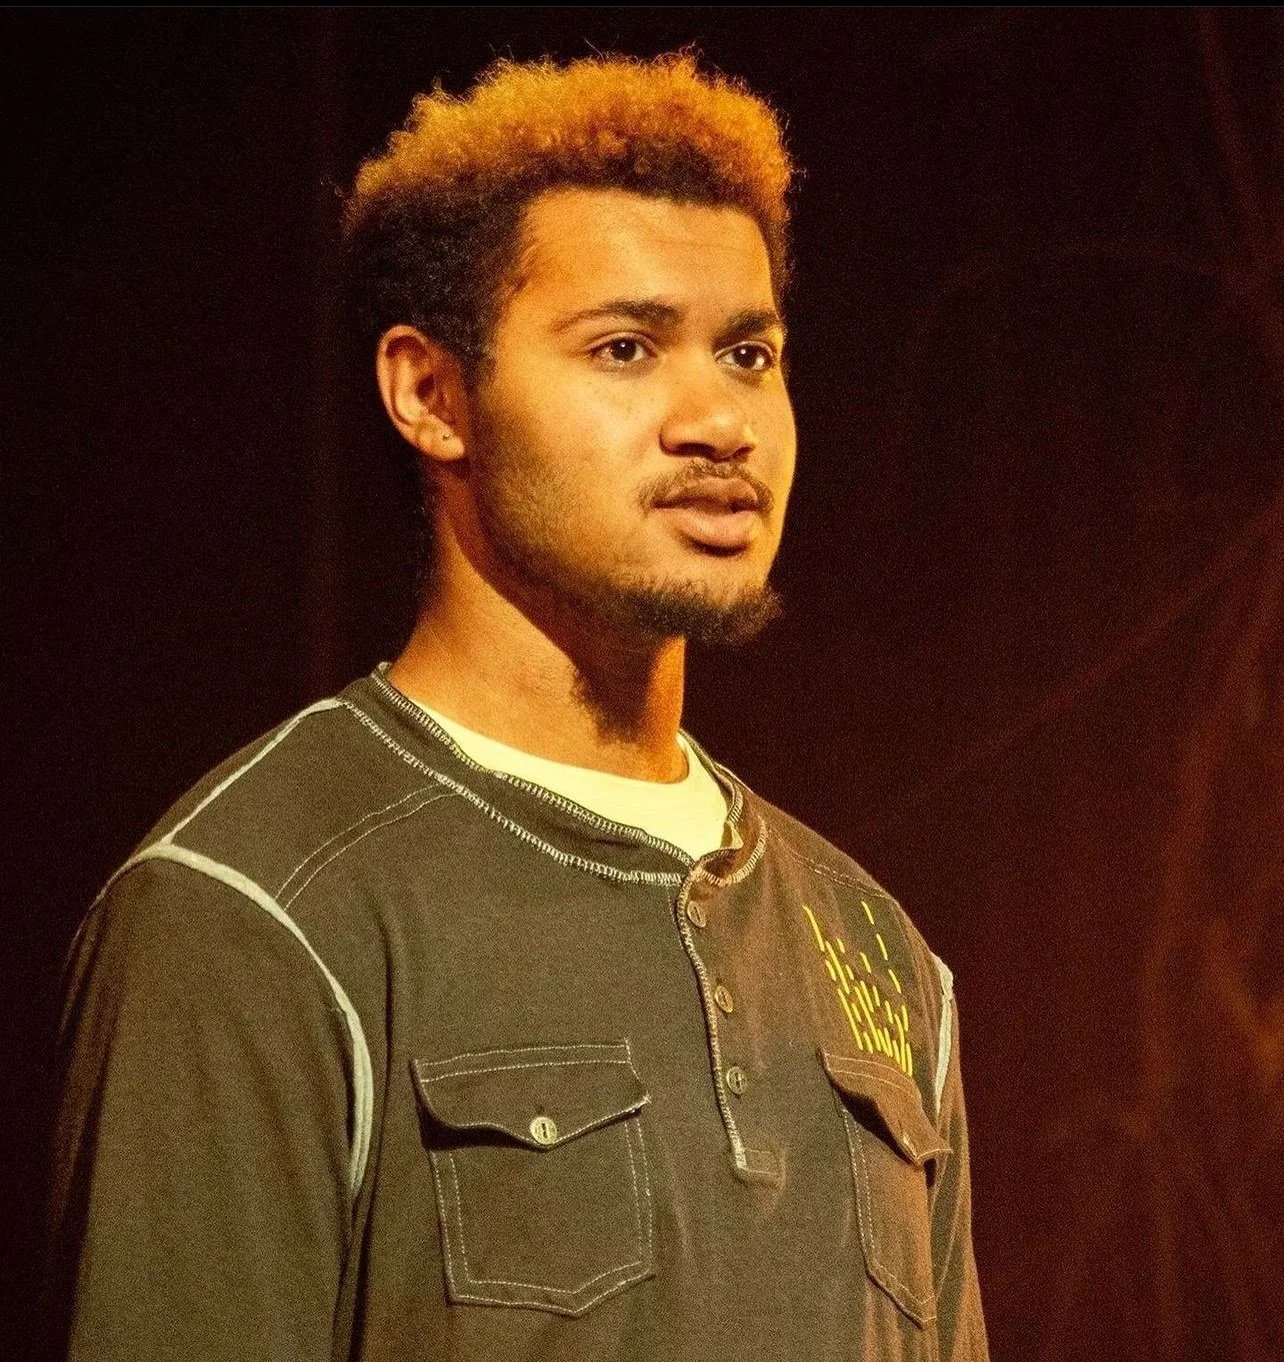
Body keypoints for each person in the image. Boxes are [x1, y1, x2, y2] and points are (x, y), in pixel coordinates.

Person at [44, 53, 989, 1362]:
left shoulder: (883, 958)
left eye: (749, 351)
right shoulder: (256, 910)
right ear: (432, 394)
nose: (719, 418)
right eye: (625, 347)